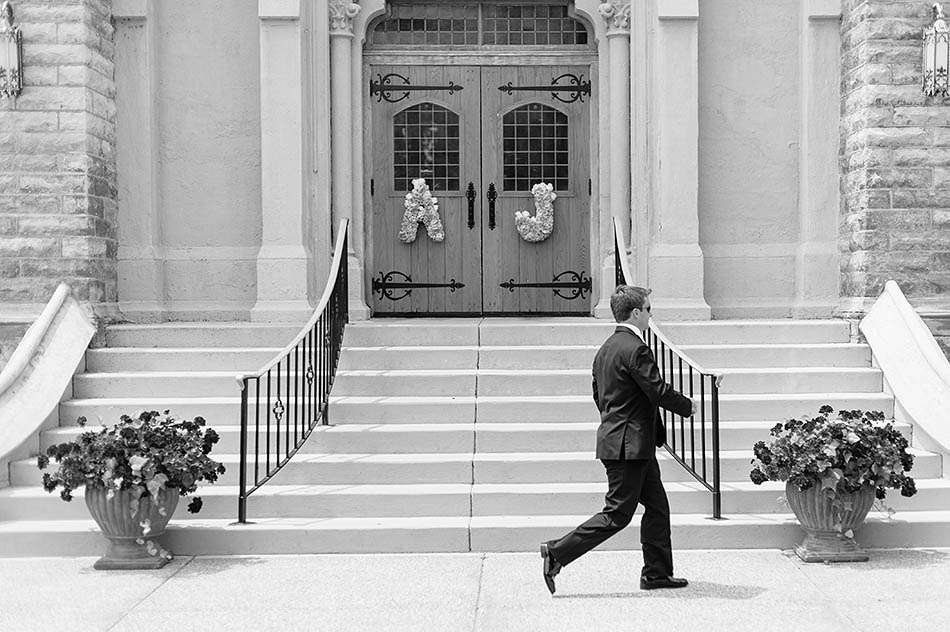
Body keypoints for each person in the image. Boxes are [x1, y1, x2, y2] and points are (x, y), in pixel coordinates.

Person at [540, 285, 698, 594]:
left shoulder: (606, 349)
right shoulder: (635, 348)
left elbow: (600, 396)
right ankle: (557, 552)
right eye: (649, 310)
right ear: (636, 313)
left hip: (629, 444)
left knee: (658, 508)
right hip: (629, 447)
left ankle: (656, 574)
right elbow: (656, 389)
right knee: (617, 515)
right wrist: (686, 405)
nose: (651, 315)